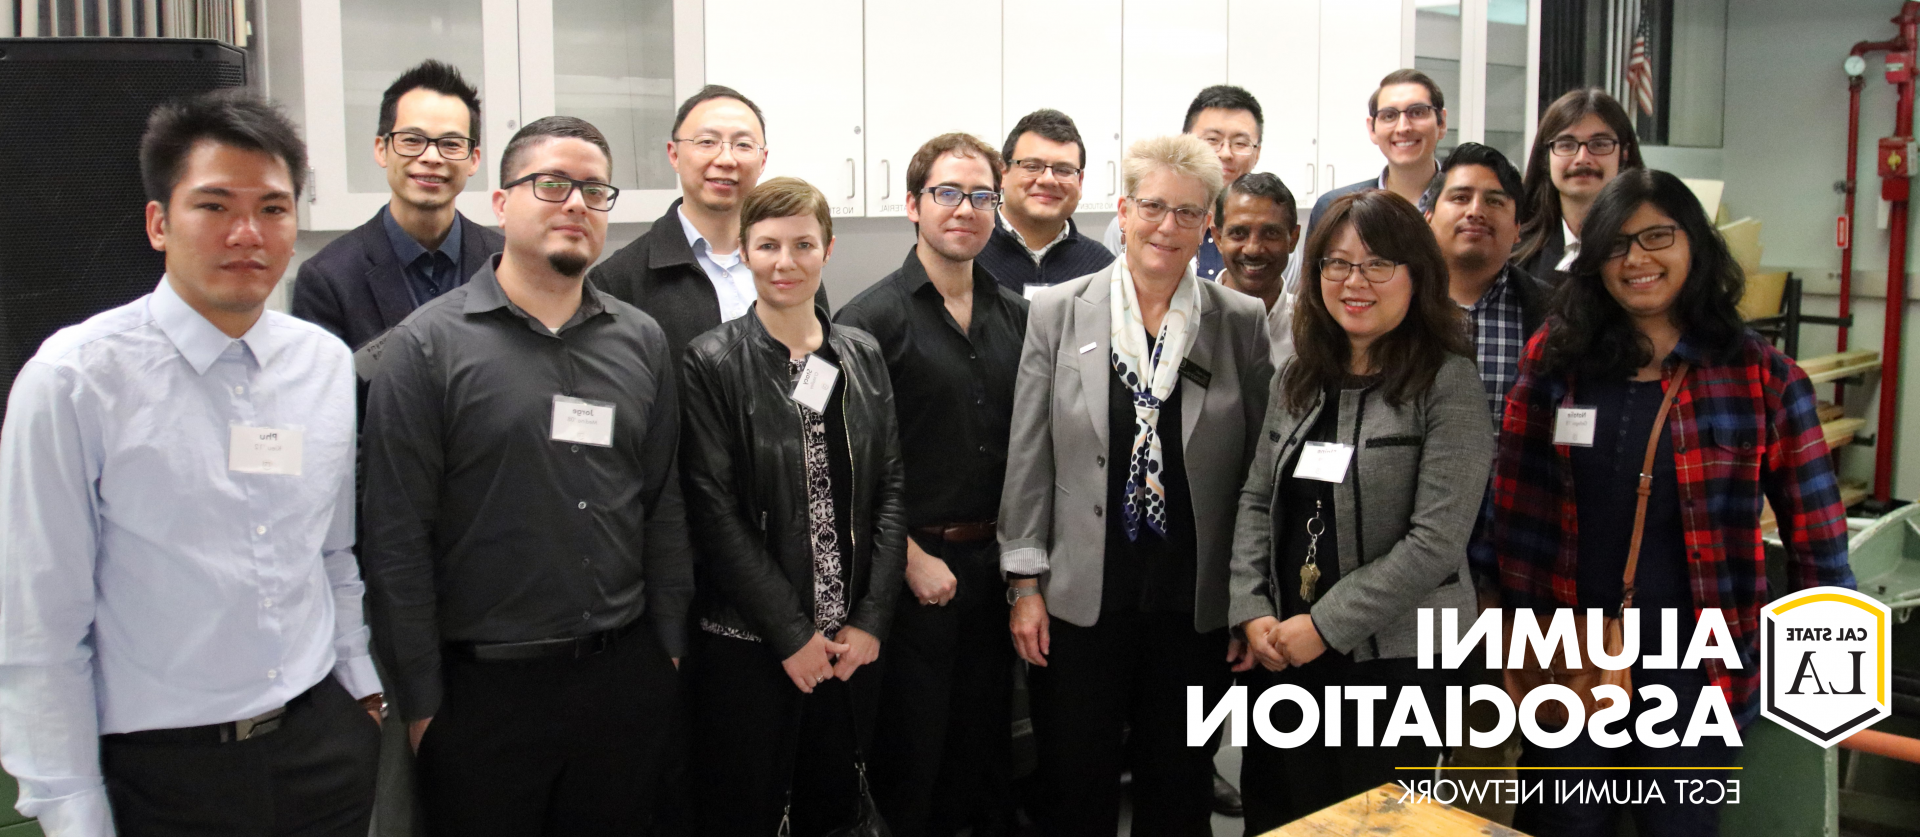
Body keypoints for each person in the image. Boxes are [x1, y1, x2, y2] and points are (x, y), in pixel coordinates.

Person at [0, 90, 383, 836]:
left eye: (273, 208)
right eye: (214, 205)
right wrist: (73, 808)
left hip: (321, 748)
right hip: (163, 772)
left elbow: (331, 553)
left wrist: (360, 685)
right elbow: (40, 622)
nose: (248, 233)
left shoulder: (324, 363)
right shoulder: (74, 380)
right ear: (158, 222)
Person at [1484, 170, 1855, 837]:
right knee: (1561, 825)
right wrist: (1499, 623)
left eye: (1658, 236)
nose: (1637, 259)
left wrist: (1822, 680)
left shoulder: (1763, 375)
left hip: (1700, 661)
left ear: (1696, 247)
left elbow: (1819, 545)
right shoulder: (1555, 360)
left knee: (1677, 828)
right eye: (1618, 243)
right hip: (1571, 655)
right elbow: (1511, 504)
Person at [360, 116, 692, 837]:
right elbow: (396, 538)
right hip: (484, 695)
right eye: (552, 184)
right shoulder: (426, 349)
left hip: (621, 677)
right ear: (501, 201)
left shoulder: (641, 341)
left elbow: (662, 502)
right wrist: (423, 704)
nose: (576, 203)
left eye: (595, 190)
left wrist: (665, 649)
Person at [1001, 134, 1273, 837]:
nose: (1168, 226)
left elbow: (1257, 477)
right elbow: (1029, 459)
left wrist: (1250, 598)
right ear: (1122, 210)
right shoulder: (1060, 311)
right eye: (1153, 206)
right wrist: (1025, 585)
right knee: (1075, 781)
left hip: (1193, 602)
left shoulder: (1239, 322)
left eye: (1189, 212)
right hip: (1080, 598)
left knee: (1178, 785)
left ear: (1208, 223)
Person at [1227, 189, 1489, 831]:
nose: (1355, 281)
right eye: (1336, 264)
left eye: (1377, 264)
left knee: (1375, 822)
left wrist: (1324, 626)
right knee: (1281, 811)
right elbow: (1257, 497)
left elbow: (1436, 542)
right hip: (1285, 652)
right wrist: (1252, 607)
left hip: (1397, 661)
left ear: (1416, 275)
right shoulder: (1298, 376)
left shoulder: (1446, 380)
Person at [679, 177, 907, 837]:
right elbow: (714, 511)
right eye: (769, 244)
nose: (786, 261)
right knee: (750, 805)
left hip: (851, 648)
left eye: (803, 244)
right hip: (752, 645)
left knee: (835, 805)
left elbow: (890, 486)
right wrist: (790, 633)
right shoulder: (711, 362)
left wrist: (871, 621)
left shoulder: (859, 353)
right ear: (745, 251)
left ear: (828, 249)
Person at [834, 133, 1025, 837]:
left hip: (994, 572)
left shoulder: (1015, 318)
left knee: (980, 758)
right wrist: (910, 557)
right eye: (948, 192)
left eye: (982, 196)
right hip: (909, 576)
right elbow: (844, 461)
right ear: (913, 204)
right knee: (911, 759)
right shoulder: (868, 320)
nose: (965, 209)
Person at [591, 84, 826, 365]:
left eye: (743, 145)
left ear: (763, 160)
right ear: (674, 155)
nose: (726, 159)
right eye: (706, 142)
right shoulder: (619, 280)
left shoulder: (793, 266)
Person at [293, 60, 505, 350]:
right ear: (382, 150)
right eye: (412, 140)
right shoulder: (328, 278)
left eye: (451, 144)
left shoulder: (507, 263)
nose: (432, 156)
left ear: (474, 159)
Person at [1420, 142, 1551, 420]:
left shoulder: (1552, 312)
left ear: (1517, 229)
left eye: (1494, 201)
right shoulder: (1396, 304)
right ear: (1428, 217)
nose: (1475, 211)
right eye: (1460, 198)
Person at [1102, 85, 1265, 284]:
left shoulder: (1270, 240)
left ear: (1257, 154)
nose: (1225, 153)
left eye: (1240, 143)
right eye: (1212, 140)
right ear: (1186, 143)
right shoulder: (1131, 224)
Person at [977, 109, 1116, 297]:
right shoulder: (969, 253)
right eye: (1032, 166)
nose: (1048, 180)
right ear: (1003, 173)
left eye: (1063, 169)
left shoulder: (1102, 269)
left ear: (1080, 181)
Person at [1513, 88, 1642, 286]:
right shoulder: (1511, 250)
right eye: (1566, 144)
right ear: (1546, 157)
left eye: (1599, 144)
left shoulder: (1648, 248)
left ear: (1624, 154)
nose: (1582, 158)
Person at [1213, 171, 1301, 366]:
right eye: (1238, 233)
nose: (1253, 249)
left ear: (1293, 239)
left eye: (1270, 233)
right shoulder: (1188, 319)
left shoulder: (1314, 329)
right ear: (1218, 238)